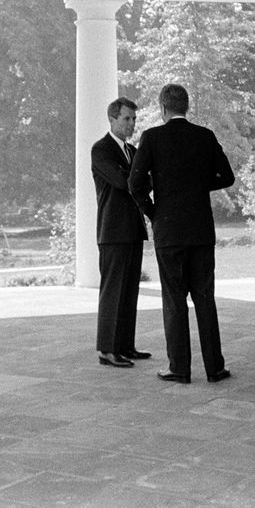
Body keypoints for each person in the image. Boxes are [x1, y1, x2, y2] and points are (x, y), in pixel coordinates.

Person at [128, 83, 234, 384]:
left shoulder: (152, 137)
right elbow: (227, 177)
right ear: (186, 107)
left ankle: (179, 368)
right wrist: (197, 186)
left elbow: (135, 185)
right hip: (200, 229)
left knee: (174, 300)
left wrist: (153, 213)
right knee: (204, 298)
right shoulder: (205, 136)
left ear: (163, 108)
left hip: (169, 231)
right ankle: (215, 368)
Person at [91, 96, 151, 368]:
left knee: (129, 291)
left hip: (133, 230)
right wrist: (137, 178)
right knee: (113, 291)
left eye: (134, 119)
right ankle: (107, 350)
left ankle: (125, 345)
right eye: (127, 118)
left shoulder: (133, 151)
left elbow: (142, 183)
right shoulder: (101, 149)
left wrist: (137, 179)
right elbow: (122, 181)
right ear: (112, 119)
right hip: (113, 231)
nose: (132, 124)